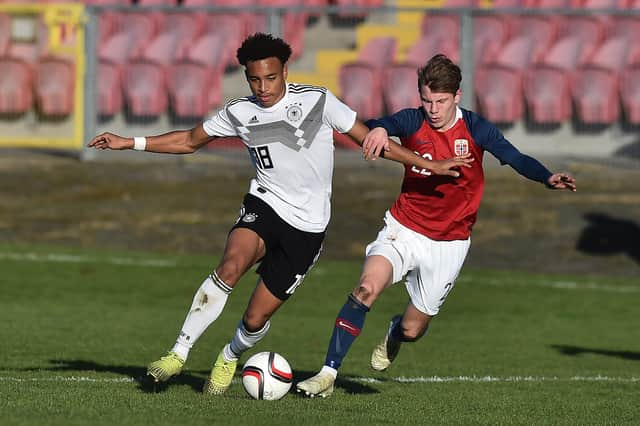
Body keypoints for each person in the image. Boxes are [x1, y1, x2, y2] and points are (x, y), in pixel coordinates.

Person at [88, 35, 472, 396]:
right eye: (255, 80)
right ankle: (177, 354)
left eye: (271, 77)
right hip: (265, 205)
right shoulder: (239, 112)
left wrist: (431, 165)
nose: (263, 87)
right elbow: (190, 140)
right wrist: (130, 142)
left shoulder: (319, 102)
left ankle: (230, 356)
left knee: (255, 320)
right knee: (231, 265)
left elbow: (373, 141)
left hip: (307, 229)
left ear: (285, 71)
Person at [296, 54, 577, 398]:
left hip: (449, 242)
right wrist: (381, 127)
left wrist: (547, 176)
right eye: (427, 100)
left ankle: (395, 332)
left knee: (414, 330)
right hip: (404, 228)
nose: (433, 108)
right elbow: (374, 123)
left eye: (441, 101)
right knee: (367, 288)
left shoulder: (475, 128)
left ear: (456, 97)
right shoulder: (414, 121)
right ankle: (327, 374)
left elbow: (515, 157)